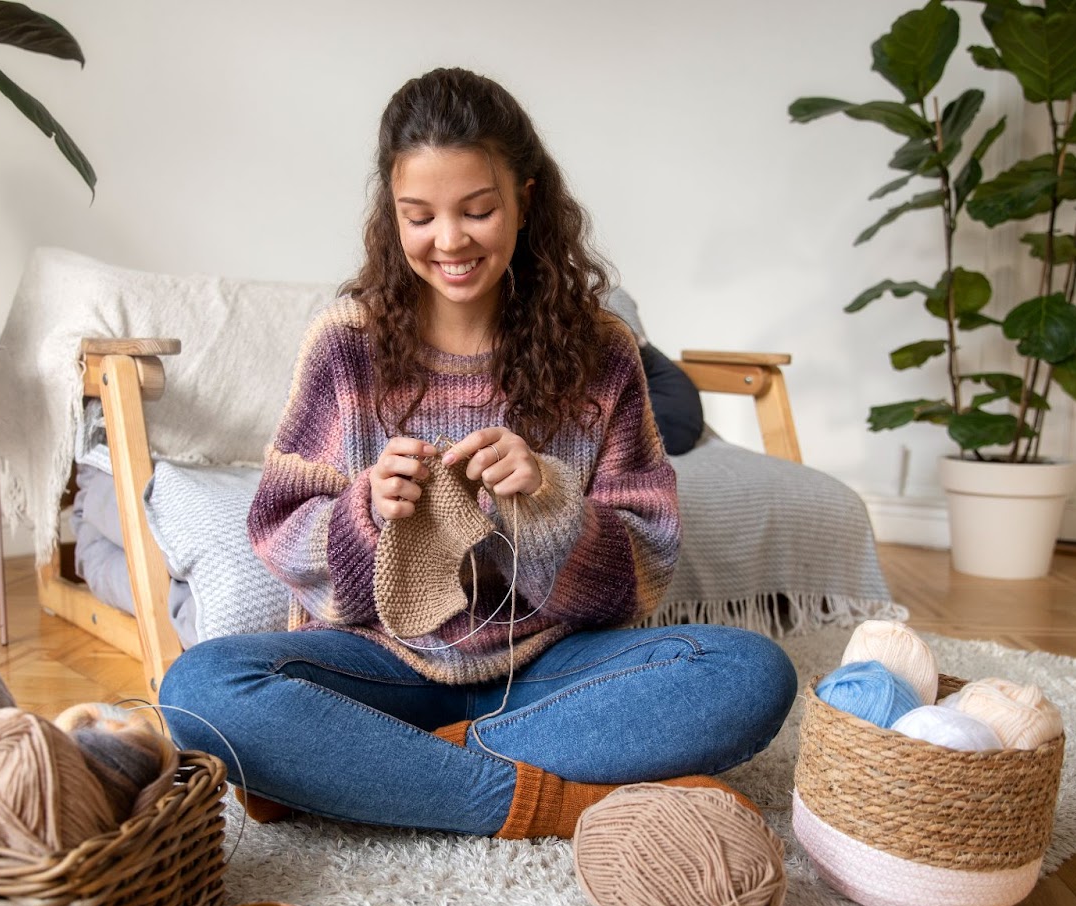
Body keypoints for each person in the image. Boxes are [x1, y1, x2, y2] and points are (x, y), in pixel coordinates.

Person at [160, 67, 797, 839]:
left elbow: (643, 576)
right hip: (381, 668)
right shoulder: (346, 344)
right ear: (391, 214)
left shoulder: (602, 353)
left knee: (750, 674)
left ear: (526, 199)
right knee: (200, 690)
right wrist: (366, 512)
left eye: (478, 210)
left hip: (549, 674)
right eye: (419, 216)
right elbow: (278, 530)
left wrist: (551, 504)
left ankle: (374, 770)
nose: (449, 240)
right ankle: (551, 800)